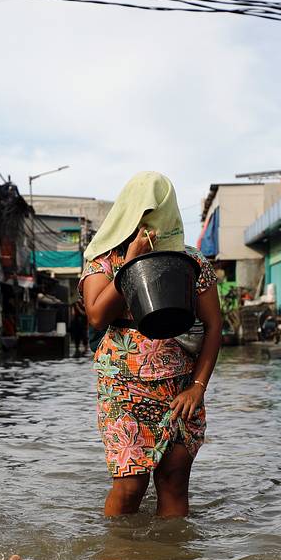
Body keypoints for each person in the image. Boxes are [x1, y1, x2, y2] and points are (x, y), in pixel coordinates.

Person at [79, 171, 222, 519]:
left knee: (173, 481)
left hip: (180, 389)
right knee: (130, 486)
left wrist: (198, 388)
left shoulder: (191, 262)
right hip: (123, 388)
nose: (150, 224)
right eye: (143, 215)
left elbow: (215, 326)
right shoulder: (103, 259)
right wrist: (131, 262)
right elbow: (97, 316)